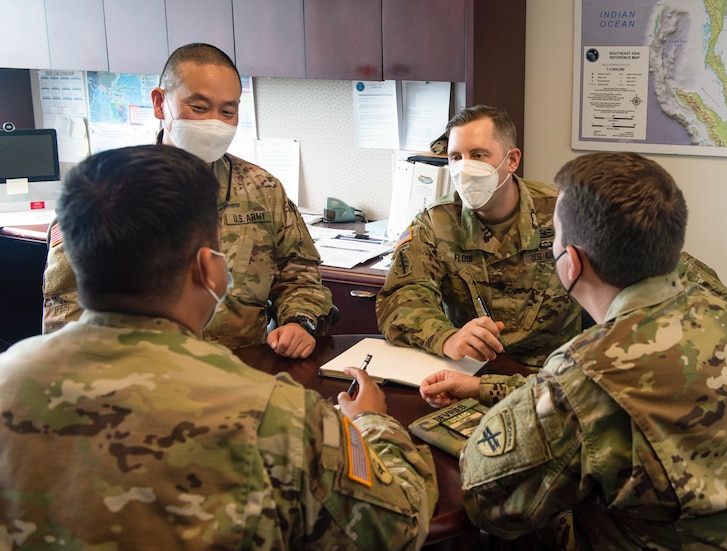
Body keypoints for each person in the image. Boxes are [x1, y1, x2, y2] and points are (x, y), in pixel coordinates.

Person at [1, 145, 437, 549]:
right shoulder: (275, 414)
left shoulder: (8, 380)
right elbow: (395, 527)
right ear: (211, 271)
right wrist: (372, 427)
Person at [419, 152, 727, 549]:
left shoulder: (590, 370)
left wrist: (370, 421)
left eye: (555, 235)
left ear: (571, 263)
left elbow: (489, 499)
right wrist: (484, 388)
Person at [376, 104, 727, 368]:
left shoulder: (566, 212)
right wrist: (447, 337)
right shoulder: (435, 223)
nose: (463, 168)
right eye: (455, 157)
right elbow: (402, 297)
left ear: (512, 160)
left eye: (479, 154)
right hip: (470, 369)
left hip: (555, 373)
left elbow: (670, 273)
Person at [42, 43, 333, 357]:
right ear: (159, 103)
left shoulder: (262, 189)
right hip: (140, 383)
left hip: (244, 371)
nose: (213, 122)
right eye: (198, 107)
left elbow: (299, 271)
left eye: (227, 111)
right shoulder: (106, 193)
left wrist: (299, 321)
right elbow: (65, 309)